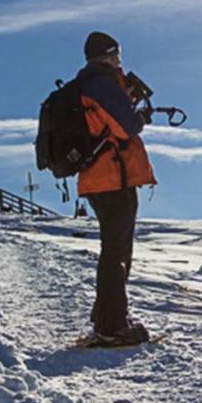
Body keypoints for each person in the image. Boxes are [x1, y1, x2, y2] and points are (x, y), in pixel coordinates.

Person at [77, 31, 157, 346]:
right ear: (108, 55)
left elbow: (107, 123)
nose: (119, 61)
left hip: (102, 178)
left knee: (114, 247)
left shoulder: (90, 84)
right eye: (117, 55)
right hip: (112, 178)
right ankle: (112, 326)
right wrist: (138, 115)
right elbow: (126, 127)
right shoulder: (101, 84)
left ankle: (107, 317)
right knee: (117, 250)